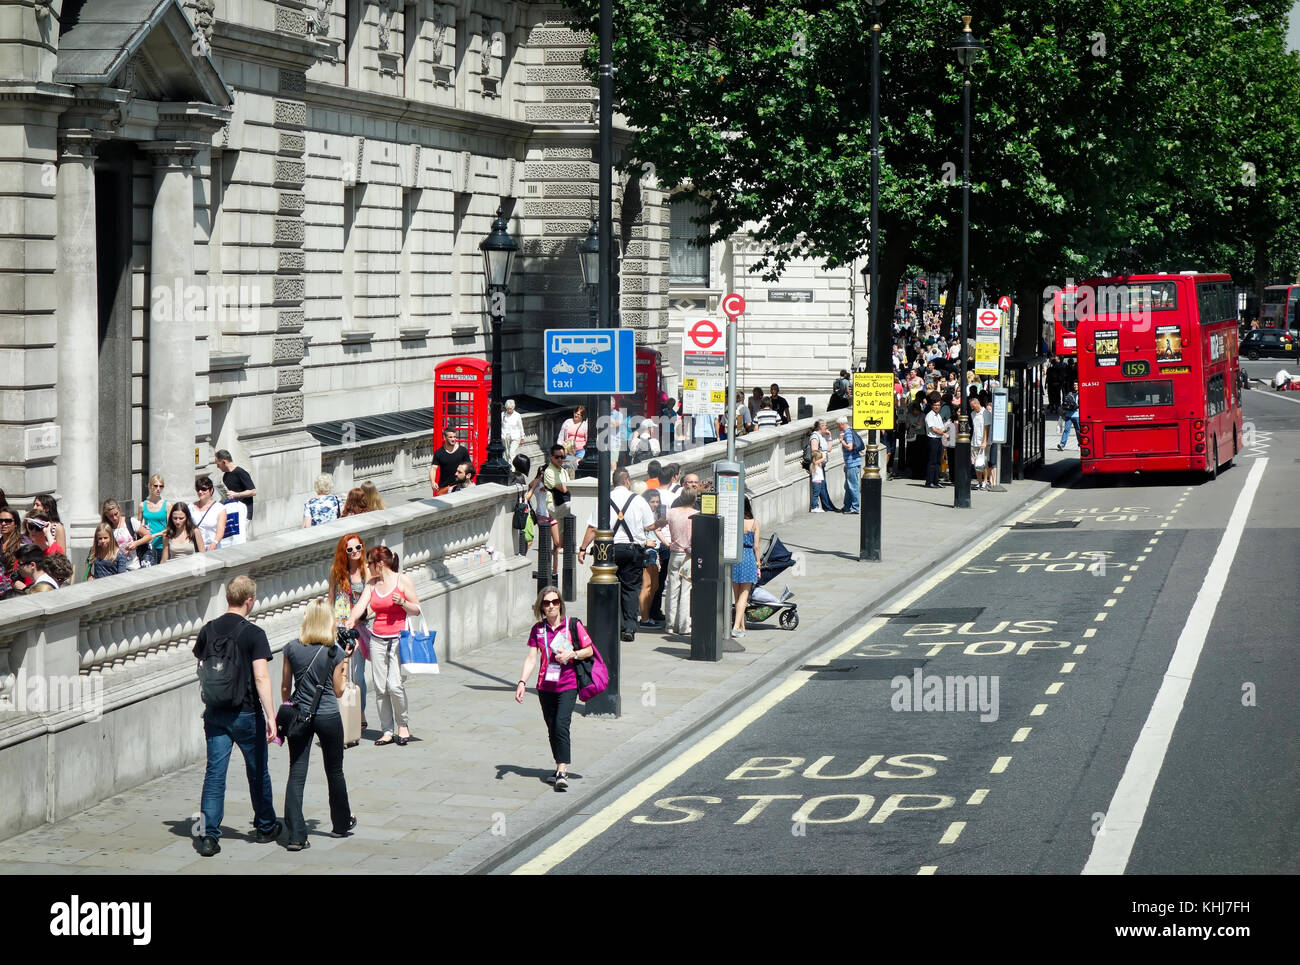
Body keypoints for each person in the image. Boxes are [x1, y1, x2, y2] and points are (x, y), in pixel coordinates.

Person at [193, 575, 281, 857]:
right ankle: (266, 826)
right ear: (249, 601)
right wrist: (271, 716)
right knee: (257, 772)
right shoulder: (254, 634)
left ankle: (208, 836)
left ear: (228, 598)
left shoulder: (208, 629)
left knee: (214, 775)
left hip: (215, 713)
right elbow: (261, 676)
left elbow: (200, 665)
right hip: (246, 713)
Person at [280, 598, 356, 851]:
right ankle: (341, 824)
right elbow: (338, 690)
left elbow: (284, 687)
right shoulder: (334, 651)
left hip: (299, 716)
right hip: (327, 716)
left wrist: (291, 706)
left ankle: (296, 836)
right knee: (334, 771)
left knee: (297, 772)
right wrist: (345, 663)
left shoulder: (291, 648)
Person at [513, 586, 595, 790]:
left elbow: (589, 650)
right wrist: (522, 682)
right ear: (541, 606)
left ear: (561, 604)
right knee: (552, 728)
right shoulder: (538, 630)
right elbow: (532, 658)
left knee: (560, 724)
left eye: (555, 602)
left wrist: (572, 655)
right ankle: (558, 765)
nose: (551, 606)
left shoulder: (572, 625)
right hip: (545, 686)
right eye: (547, 603)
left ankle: (562, 770)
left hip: (568, 684)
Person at [577, 467, 661, 642]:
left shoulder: (605, 499)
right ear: (628, 481)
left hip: (609, 550)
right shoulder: (638, 500)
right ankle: (629, 627)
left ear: (613, 483)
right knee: (631, 589)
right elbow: (649, 525)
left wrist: (583, 548)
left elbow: (593, 528)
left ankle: (611, 624)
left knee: (610, 587)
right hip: (632, 550)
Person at [347, 545, 420, 746]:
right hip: (377, 640)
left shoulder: (402, 580)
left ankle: (403, 725)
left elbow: (416, 609)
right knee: (380, 687)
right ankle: (387, 730)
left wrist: (403, 603)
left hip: (398, 639)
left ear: (379, 564)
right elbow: (360, 607)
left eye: (369, 562)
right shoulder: (371, 584)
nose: (366, 566)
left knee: (395, 685)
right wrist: (350, 621)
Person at [330, 533, 371, 730]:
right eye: (350, 549)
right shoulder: (337, 571)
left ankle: (360, 711)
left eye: (358, 547)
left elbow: (373, 597)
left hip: (361, 627)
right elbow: (330, 598)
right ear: (343, 553)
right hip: (341, 625)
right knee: (342, 672)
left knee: (359, 673)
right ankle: (346, 714)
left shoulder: (366, 571)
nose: (355, 552)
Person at [663, 486, 697, 635]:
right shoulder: (696, 514)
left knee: (672, 588)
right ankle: (684, 626)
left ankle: (670, 625)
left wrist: (666, 542)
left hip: (674, 554)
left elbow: (656, 528)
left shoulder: (671, 513)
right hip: (689, 556)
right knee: (686, 590)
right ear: (694, 499)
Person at [730, 497, 759, 639]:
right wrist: (758, 564)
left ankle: (742, 626)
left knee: (736, 596)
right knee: (744, 596)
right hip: (748, 557)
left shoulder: (734, 522)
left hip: (735, 556)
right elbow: (756, 546)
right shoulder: (754, 523)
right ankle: (736, 627)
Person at [639, 488, 665, 628]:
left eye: (657, 501)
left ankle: (646, 616)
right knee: (647, 586)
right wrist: (645, 542)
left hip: (654, 551)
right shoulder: (642, 513)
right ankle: (644, 618)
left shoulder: (654, 514)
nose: (655, 504)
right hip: (646, 550)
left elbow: (656, 531)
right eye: (652, 501)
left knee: (654, 586)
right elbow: (636, 531)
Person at [215, 451, 257, 535]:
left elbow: (253, 491)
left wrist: (236, 494)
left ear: (224, 462)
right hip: (233, 511)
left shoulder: (240, 472)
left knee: (241, 537)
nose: (217, 466)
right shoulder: (225, 475)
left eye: (218, 463)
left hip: (244, 511)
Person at [190, 475, 228, 551]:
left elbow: (221, 530)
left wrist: (215, 543)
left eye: (203, 489)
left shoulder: (219, 508)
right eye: (198, 489)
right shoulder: (191, 507)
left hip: (212, 548)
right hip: (195, 548)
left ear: (211, 490)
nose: (200, 492)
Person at [429, 428, 470, 494]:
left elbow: (469, 467)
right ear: (445, 437)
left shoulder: (463, 451)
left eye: (455, 437)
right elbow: (433, 468)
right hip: (444, 487)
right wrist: (433, 482)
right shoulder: (439, 453)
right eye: (450, 437)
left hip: (460, 486)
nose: (453, 439)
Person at [837, 415, 862, 513]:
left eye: (838, 425)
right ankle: (847, 506)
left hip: (852, 463)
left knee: (852, 486)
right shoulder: (850, 430)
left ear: (842, 424)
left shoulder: (847, 433)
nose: (837, 427)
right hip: (851, 462)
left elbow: (850, 447)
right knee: (848, 486)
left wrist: (841, 441)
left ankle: (855, 507)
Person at [557, 405, 589, 469]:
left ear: (582, 416)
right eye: (575, 413)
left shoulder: (585, 425)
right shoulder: (567, 422)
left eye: (578, 414)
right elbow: (561, 437)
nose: (576, 415)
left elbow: (587, 438)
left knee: (576, 464)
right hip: (568, 450)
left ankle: (575, 477)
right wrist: (560, 448)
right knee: (568, 465)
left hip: (581, 450)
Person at [924, 396, 946, 488]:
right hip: (932, 440)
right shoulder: (930, 415)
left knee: (938, 461)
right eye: (935, 405)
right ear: (932, 406)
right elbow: (933, 429)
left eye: (938, 405)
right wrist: (943, 433)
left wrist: (943, 432)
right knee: (932, 461)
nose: (937, 407)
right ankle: (929, 482)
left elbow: (941, 428)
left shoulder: (938, 415)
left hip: (938, 439)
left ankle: (936, 481)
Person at [969, 395, 988, 491]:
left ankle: (985, 481)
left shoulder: (985, 413)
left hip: (982, 442)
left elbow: (986, 428)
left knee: (983, 463)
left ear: (977, 403)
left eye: (973, 406)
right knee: (976, 463)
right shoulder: (973, 414)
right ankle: (979, 481)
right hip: (974, 441)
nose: (972, 408)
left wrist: (984, 441)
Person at [1057, 381, 1080, 450]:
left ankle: (1080, 443)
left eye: (1077, 385)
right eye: (1074, 385)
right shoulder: (1070, 393)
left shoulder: (1081, 393)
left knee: (1078, 430)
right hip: (1069, 415)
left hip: (1076, 415)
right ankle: (1062, 444)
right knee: (1066, 430)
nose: (1075, 386)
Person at [502, 398, 525, 465]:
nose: (509, 410)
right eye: (508, 408)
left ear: (513, 407)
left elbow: (520, 427)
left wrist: (522, 437)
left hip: (515, 436)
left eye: (510, 408)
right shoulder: (503, 415)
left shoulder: (517, 415)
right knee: (506, 453)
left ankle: (512, 468)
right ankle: (507, 466)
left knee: (512, 452)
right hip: (505, 436)